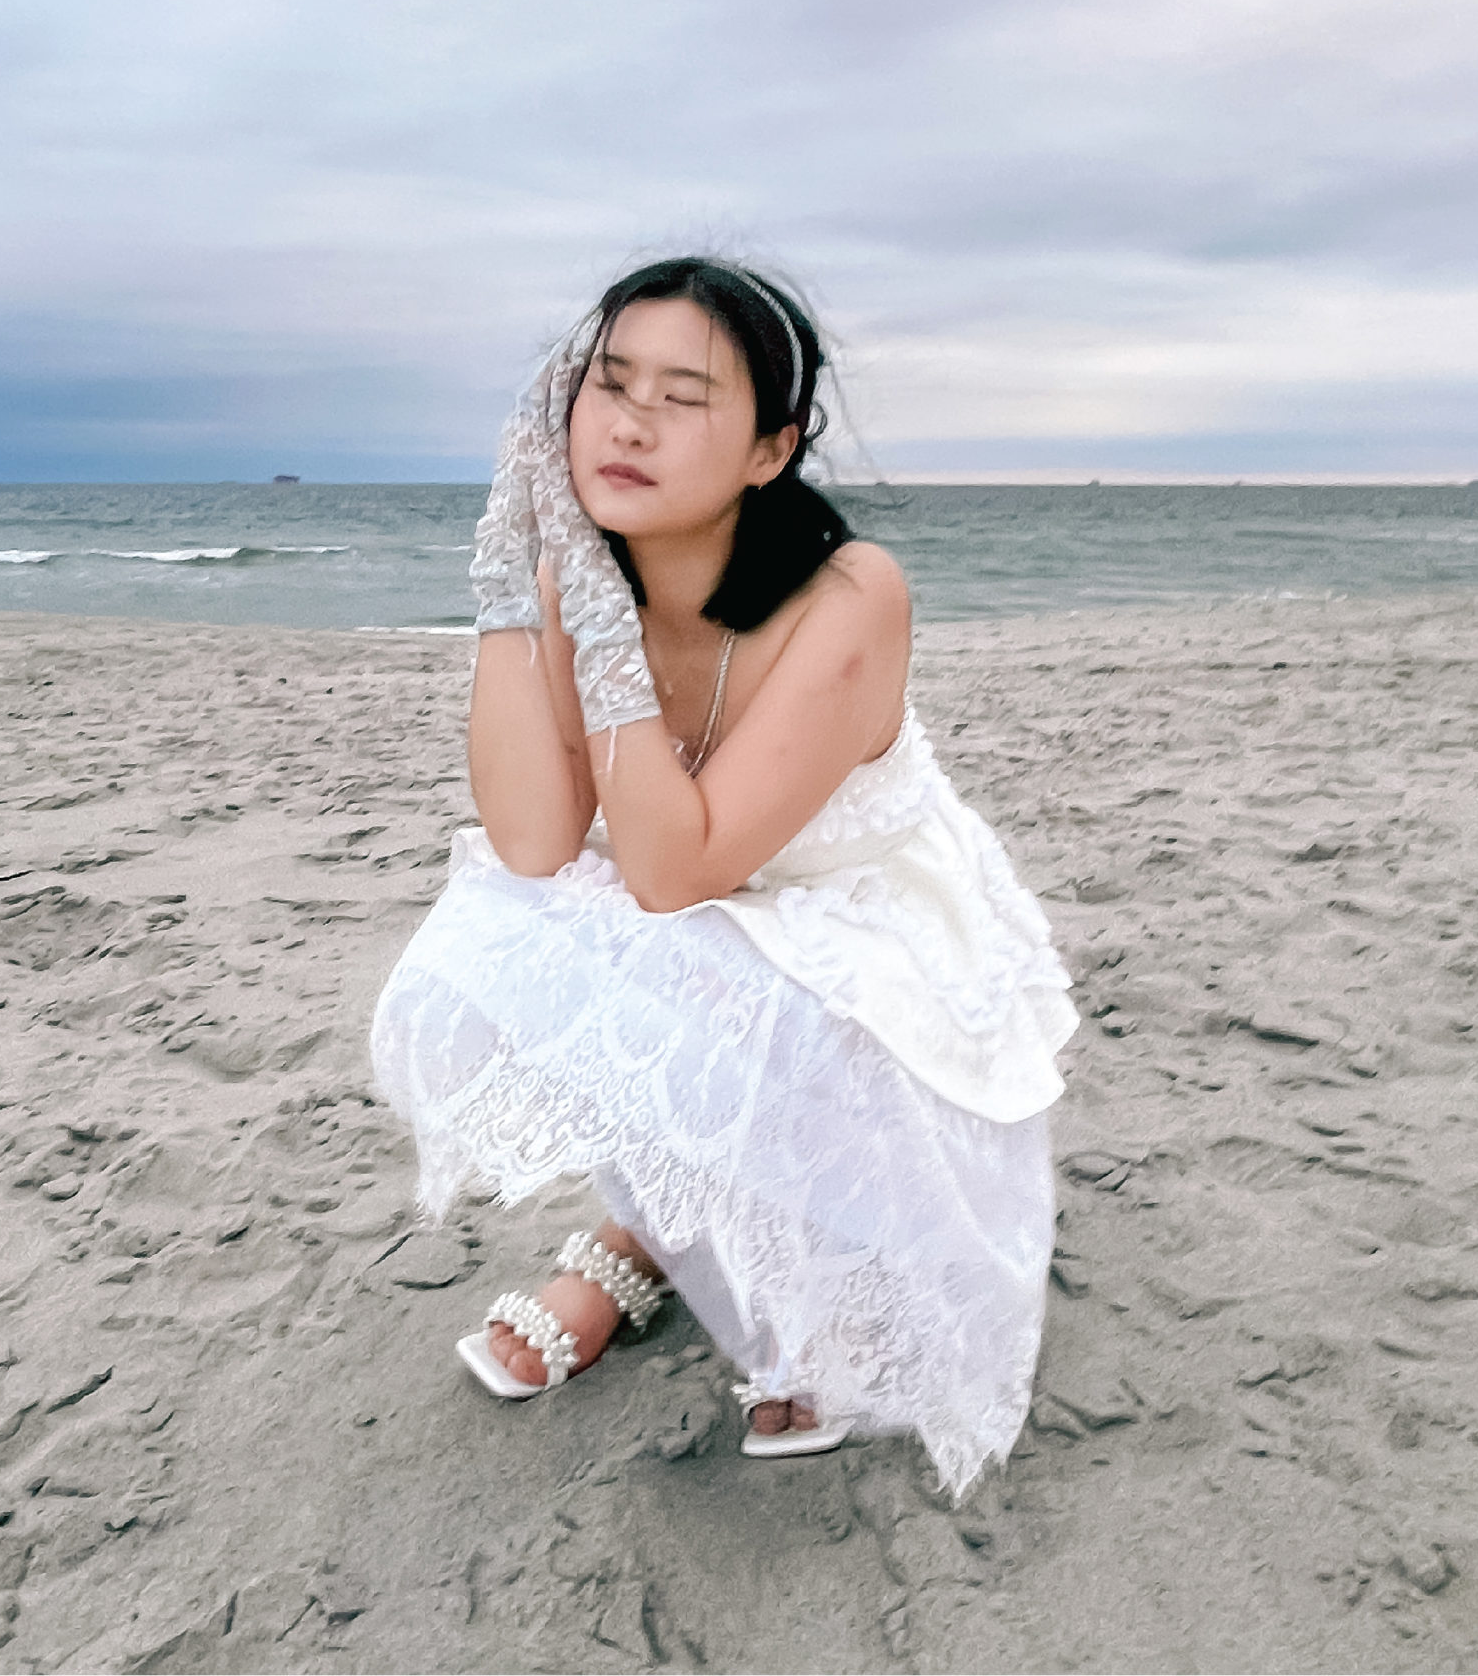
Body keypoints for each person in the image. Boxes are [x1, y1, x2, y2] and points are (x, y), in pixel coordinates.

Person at [368, 256, 1077, 1498]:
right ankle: (654, 1228)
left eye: (683, 394)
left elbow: (671, 866)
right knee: (501, 919)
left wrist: (590, 621)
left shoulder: (851, 593)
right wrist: (512, 583)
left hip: (874, 929)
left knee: (762, 983)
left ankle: (698, 1248)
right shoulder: (579, 573)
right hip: (710, 917)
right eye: (608, 383)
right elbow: (534, 844)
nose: (629, 419)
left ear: (769, 447)